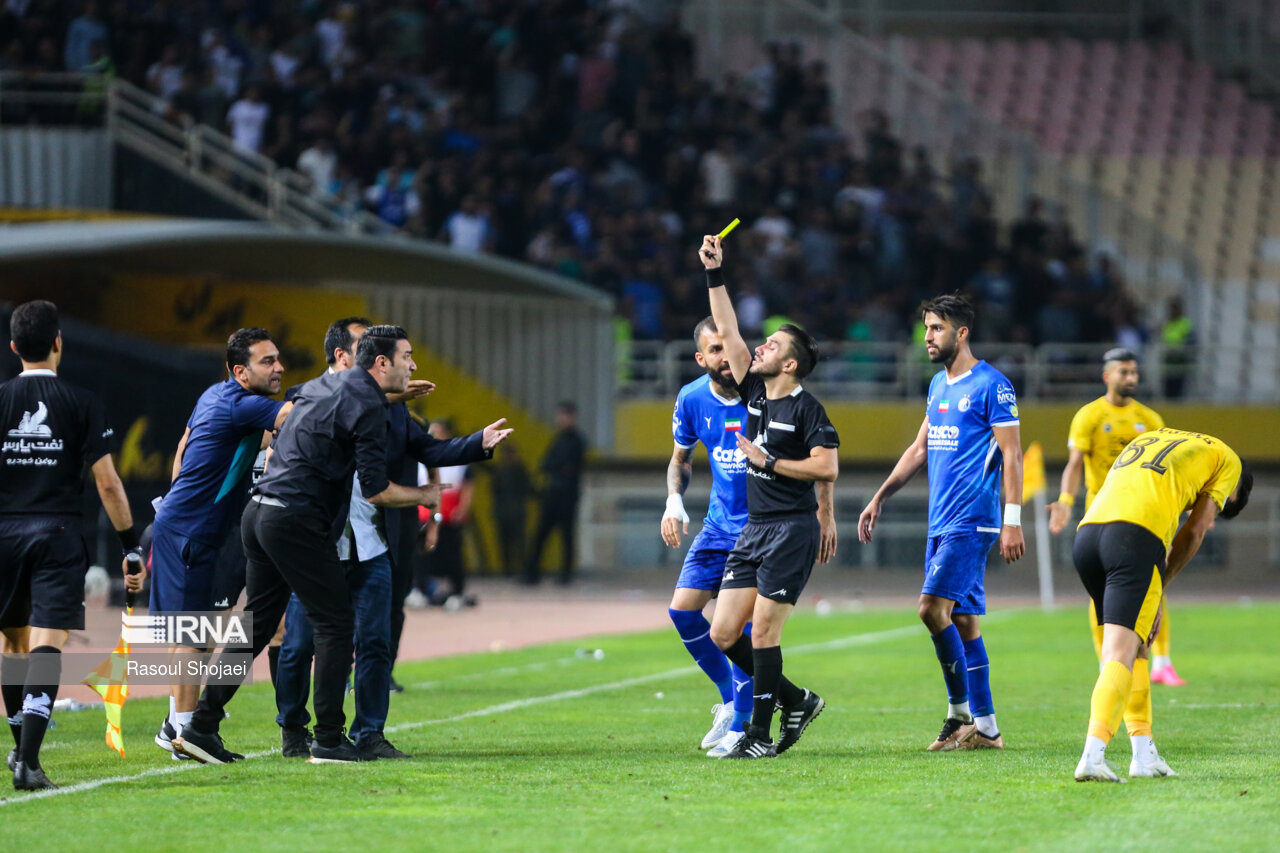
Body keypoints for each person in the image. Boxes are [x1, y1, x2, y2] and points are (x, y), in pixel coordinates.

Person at [173, 326, 447, 764]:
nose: (279, 368)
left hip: (257, 512)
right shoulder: (301, 399)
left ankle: (201, 725)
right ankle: (329, 739)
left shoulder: (277, 394)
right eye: (269, 361)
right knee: (335, 624)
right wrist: (425, 498)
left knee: (257, 625)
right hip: (288, 520)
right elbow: (374, 484)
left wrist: (391, 397)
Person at [273, 319, 507, 759]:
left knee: (376, 640)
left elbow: (428, 450)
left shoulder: (392, 409)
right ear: (346, 356)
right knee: (299, 641)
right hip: (318, 539)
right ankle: (291, 729)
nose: (409, 365)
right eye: (404, 357)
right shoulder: (308, 397)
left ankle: (369, 734)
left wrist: (479, 443)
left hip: (372, 541)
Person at [858, 292, 1025, 752]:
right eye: (926, 328)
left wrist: (1012, 521)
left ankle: (958, 714)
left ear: (961, 332)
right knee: (965, 623)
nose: (927, 337)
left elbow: (1012, 455)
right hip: (941, 521)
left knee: (931, 610)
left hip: (973, 519)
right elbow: (918, 449)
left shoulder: (993, 385)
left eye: (936, 328)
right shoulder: (937, 386)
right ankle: (987, 729)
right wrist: (880, 496)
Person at [697, 234, 839, 760]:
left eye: (773, 346)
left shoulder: (808, 410)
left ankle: (757, 735)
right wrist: (714, 272)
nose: (761, 348)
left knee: (761, 635)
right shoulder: (753, 391)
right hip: (754, 530)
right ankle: (795, 699)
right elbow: (729, 328)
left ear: (791, 366)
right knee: (722, 631)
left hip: (789, 530)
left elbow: (828, 466)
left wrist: (770, 462)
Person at [0, 300, 145, 790]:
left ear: (15, 347)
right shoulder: (82, 402)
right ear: (59, 342)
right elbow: (107, 484)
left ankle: (20, 750)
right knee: (47, 642)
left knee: (11, 645)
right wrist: (129, 545)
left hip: (3, 535)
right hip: (57, 534)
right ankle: (28, 762)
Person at [1072, 429, 1252, 782]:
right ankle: (1092, 755)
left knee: (1137, 648)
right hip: (1134, 537)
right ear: (1233, 491)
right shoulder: (1228, 459)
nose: (1212, 510)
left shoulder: (1161, 439)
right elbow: (1196, 529)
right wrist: (1160, 586)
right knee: (1120, 654)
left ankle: (1143, 754)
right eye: (1221, 505)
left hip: (1087, 535)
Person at [150, 328, 291, 760]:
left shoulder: (215, 395)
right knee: (195, 635)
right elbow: (297, 417)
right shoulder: (244, 405)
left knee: (199, 633)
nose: (279, 367)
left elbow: (184, 445)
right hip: (195, 531)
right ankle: (188, 734)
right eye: (267, 361)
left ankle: (177, 727)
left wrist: (179, 501)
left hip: (190, 526)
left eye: (278, 359)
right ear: (240, 371)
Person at [1048, 348, 1178, 775]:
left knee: (1133, 629)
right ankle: (1132, 744)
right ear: (1107, 375)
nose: (1132, 377)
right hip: (1101, 524)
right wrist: (1066, 502)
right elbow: (1073, 464)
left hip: (1137, 526)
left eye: (1135, 370)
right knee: (1123, 636)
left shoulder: (1150, 419)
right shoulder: (1088, 416)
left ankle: (1157, 674)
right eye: (1124, 371)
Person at [661, 315, 754, 758]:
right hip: (718, 526)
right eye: (714, 350)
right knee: (683, 612)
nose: (725, 357)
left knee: (740, 628)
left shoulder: (762, 391)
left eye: (729, 346)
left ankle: (742, 723)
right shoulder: (692, 398)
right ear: (701, 358)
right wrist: (673, 500)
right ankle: (730, 698)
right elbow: (681, 458)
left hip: (760, 530)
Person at [524, 402, 588, 585]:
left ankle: (565, 575)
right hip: (553, 494)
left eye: (564, 415)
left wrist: (557, 467)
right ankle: (532, 572)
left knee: (566, 536)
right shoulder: (560, 439)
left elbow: (560, 465)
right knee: (541, 534)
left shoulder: (576, 441)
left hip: (567, 496)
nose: (561, 419)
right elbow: (549, 464)